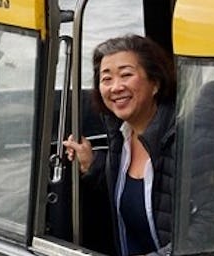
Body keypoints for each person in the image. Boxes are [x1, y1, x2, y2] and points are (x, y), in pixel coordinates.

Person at [62, 35, 176, 256]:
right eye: (106, 79)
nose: (116, 87)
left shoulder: (182, 138)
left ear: (155, 83)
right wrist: (93, 165)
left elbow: (201, 234)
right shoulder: (119, 133)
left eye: (126, 75)